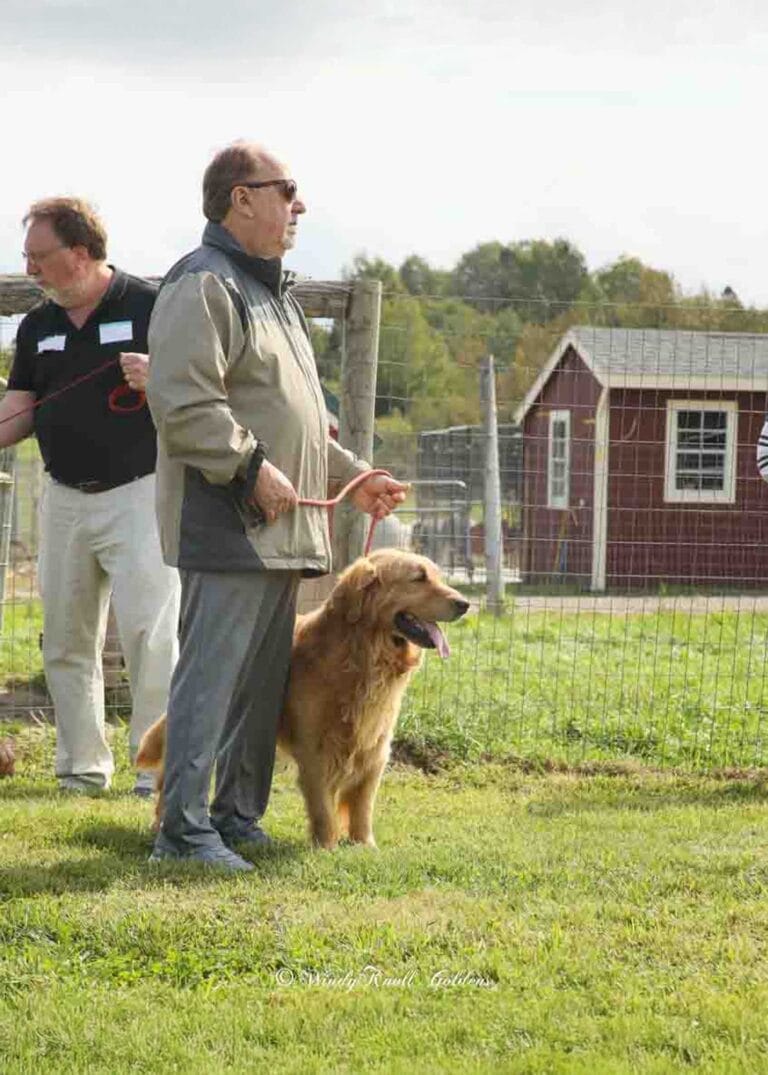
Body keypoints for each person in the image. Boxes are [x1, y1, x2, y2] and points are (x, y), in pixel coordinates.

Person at [146, 140, 407, 871]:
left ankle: (234, 816)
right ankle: (182, 832)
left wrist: (356, 475)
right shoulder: (202, 285)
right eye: (285, 188)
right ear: (241, 198)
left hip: (283, 533)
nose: (299, 204)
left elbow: (301, 425)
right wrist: (249, 467)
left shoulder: (273, 295)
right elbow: (182, 403)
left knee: (260, 688)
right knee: (210, 682)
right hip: (226, 524)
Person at [2, 197, 180, 794]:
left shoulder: (152, 305)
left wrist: (160, 379)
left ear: (80, 254)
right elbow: (18, 411)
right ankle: (81, 769)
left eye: (38, 257)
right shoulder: (36, 326)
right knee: (66, 638)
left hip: (142, 494)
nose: (29, 269)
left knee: (149, 634)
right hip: (64, 497)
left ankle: (154, 771)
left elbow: (204, 388)